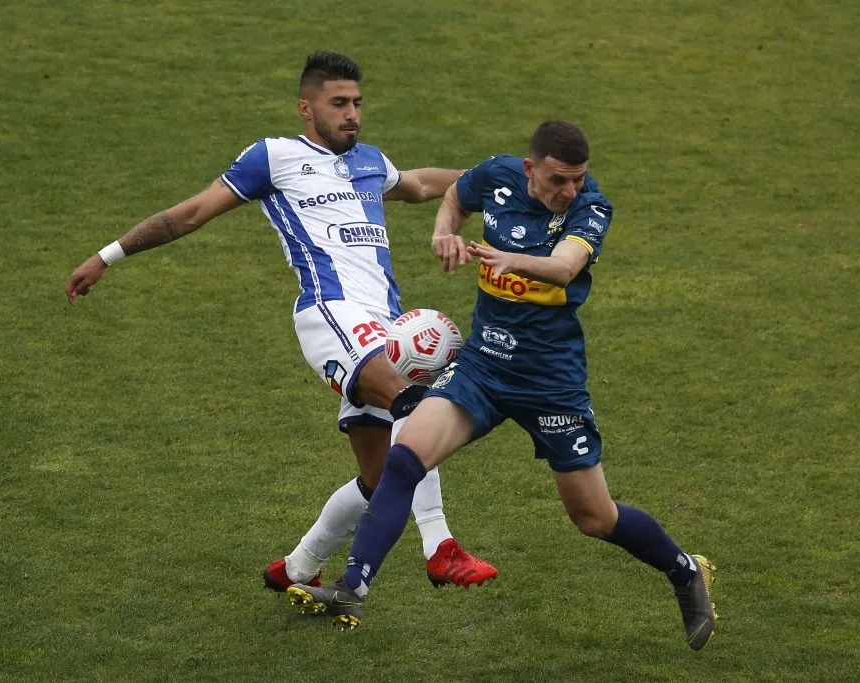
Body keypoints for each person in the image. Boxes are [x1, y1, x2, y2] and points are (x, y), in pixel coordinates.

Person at [65, 51, 497, 592]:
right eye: (337, 103)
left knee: (378, 476)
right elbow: (191, 213)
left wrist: (494, 182)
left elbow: (421, 185)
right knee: (415, 406)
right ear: (305, 108)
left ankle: (296, 567)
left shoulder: (369, 161)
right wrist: (107, 256)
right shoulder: (274, 157)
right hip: (330, 312)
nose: (351, 114)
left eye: (357, 103)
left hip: (385, 325)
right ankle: (441, 547)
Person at [289, 120, 718, 649]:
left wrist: (508, 259)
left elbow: (563, 268)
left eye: (578, 179)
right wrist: (444, 231)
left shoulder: (590, 207)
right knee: (405, 457)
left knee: (593, 517)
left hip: (550, 382)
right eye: (559, 180)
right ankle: (352, 587)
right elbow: (455, 194)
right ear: (530, 168)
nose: (570, 190)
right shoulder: (497, 175)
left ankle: (685, 571)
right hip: (483, 367)